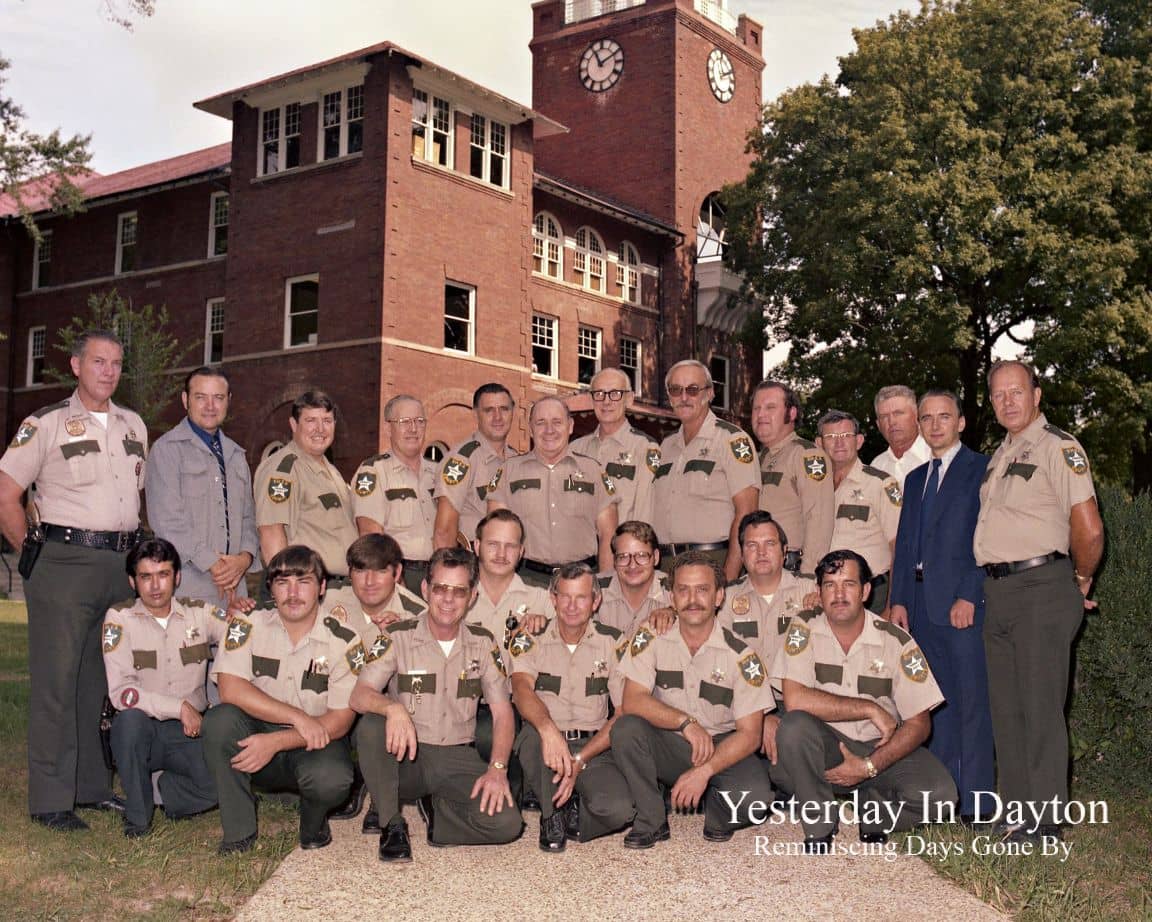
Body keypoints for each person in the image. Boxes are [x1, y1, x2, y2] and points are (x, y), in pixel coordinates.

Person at [0, 329, 145, 830]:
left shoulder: (134, 425)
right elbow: (7, 495)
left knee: (97, 683)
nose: (108, 371)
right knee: (56, 684)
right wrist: (32, 557)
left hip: (117, 565)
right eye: (99, 361)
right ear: (76, 366)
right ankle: (50, 799)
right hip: (63, 562)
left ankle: (90, 787)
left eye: (117, 363)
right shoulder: (47, 424)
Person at [973, 360, 1104, 841]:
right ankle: (1017, 811)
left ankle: (1046, 820)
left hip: (1042, 589)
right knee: (1006, 708)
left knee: (1040, 706)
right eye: (999, 394)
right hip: (1000, 591)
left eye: (1017, 391)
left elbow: (1088, 528)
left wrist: (1081, 579)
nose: (1008, 401)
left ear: (1037, 396)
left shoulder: (1059, 448)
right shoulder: (999, 455)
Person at [771, 550, 957, 853]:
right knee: (792, 731)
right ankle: (820, 823)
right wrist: (869, 707)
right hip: (827, 747)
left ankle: (874, 812)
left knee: (941, 796)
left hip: (880, 749)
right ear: (818, 592)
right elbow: (795, 699)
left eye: (849, 584)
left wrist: (869, 766)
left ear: (866, 590)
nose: (839, 594)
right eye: (830, 585)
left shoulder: (896, 641)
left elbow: (920, 724)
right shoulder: (803, 628)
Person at [351, 548, 523, 861]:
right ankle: (392, 822)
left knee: (507, 825)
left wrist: (497, 769)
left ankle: (439, 815)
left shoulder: (484, 643)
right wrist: (394, 709)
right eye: (441, 588)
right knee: (372, 724)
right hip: (407, 758)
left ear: (472, 597)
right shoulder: (396, 636)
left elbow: (502, 714)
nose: (448, 599)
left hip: (458, 756)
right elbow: (360, 695)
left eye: (459, 591)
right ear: (425, 589)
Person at [201, 546, 362, 854]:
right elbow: (230, 689)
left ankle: (313, 822)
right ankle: (238, 832)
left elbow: (340, 722)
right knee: (219, 722)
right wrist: (296, 717)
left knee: (332, 779)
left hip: (314, 742)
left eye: (303, 581)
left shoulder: (345, 639)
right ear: (271, 589)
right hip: (257, 735)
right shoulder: (247, 624)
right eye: (282, 582)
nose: (293, 592)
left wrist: (278, 741)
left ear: (322, 587)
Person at [611, 550, 774, 847]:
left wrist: (705, 771)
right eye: (683, 590)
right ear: (671, 597)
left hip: (722, 747)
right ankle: (651, 819)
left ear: (719, 596)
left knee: (755, 801)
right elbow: (632, 700)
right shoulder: (651, 637)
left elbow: (751, 735)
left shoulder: (742, 656)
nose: (693, 599)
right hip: (670, 742)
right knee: (626, 728)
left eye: (702, 590)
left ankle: (716, 808)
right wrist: (684, 723)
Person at [102, 538, 252, 837]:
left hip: (189, 732)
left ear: (177, 577)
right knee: (129, 723)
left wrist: (241, 614)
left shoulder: (199, 613)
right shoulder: (119, 619)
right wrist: (178, 707)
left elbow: (244, 632)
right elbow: (122, 694)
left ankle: (162, 792)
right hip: (143, 729)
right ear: (133, 581)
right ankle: (138, 817)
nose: (155, 586)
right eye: (146, 577)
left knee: (219, 785)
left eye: (163, 575)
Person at [889, 391, 992, 822]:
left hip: (959, 606)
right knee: (933, 705)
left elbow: (986, 539)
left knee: (970, 704)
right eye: (927, 418)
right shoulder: (914, 478)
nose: (934, 426)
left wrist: (970, 592)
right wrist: (896, 601)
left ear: (961, 422)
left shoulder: (981, 470)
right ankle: (943, 800)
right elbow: (905, 544)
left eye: (943, 417)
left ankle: (978, 804)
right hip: (919, 609)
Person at [510, 563, 634, 851]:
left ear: (596, 601)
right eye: (564, 596)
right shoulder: (530, 638)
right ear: (553, 599)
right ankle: (551, 815)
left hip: (594, 745)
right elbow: (520, 690)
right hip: (547, 744)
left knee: (620, 810)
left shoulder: (614, 641)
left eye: (581, 597)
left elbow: (624, 711)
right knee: (530, 737)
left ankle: (576, 809)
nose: (572, 606)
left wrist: (580, 760)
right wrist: (548, 729)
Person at [324, 533, 427, 831]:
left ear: (397, 573)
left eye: (380, 570)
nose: (369, 581)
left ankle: (380, 795)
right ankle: (351, 777)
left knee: (379, 717)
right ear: (349, 573)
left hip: (386, 705)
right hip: (336, 698)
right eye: (360, 570)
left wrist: (401, 638)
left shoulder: (417, 612)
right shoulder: (329, 601)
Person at [145, 366, 259, 602]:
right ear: (186, 400)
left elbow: (249, 518)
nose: (210, 406)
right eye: (201, 397)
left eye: (218, 398)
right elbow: (167, 522)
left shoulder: (236, 455)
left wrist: (244, 559)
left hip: (235, 592)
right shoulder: (167, 450)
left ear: (228, 401)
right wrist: (215, 564)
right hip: (188, 588)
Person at [486, 396, 618, 585]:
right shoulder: (508, 472)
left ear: (570, 426)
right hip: (527, 581)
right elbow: (494, 534)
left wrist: (606, 584)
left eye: (557, 422)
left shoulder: (594, 472)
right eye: (541, 423)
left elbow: (608, 536)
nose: (549, 430)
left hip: (582, 580)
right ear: (530, 428)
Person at [652, 360, 759, 582]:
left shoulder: (732, 440)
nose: (683, 397)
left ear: (709, 394)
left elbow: (747, 513)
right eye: (675, 390)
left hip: (712, 561)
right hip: (665, 566)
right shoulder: (666, 447)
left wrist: (727, 579)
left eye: (692, 390)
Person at [252, 390, 357, 578]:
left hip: (338, 590)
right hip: (306, 588)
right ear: (293, 424)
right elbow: (271, 537)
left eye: (327, 421)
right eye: (311, 421)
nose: (320, 429)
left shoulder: (331, 470)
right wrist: (289, 590)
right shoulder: (283, 470)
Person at [353, 395, 438, 594]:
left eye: (419, 421)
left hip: (437, 577)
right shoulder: (373, 472)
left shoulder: (438, 473)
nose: (413, 429)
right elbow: (370, 536)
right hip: (400, 575)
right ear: (387, 428)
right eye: (404, 422)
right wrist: (396, 582)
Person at [818, 410, 901, 612]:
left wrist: (893, 603)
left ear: (859, 441)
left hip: (870, 595)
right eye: (831, 437)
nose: (839, 443)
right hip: (825, 594)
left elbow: (899, 547)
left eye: (846, 436)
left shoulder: (882, 484)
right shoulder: (813, 487)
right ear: (819, 444)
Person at [751, 380, 833, 575]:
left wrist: (808, 576)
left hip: (791, 571)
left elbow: (819, 521)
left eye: (770, 407)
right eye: (756, 408)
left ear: (792, 413)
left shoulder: (807, 455)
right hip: (757, 569)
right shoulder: (757, 458)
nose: (761, 415)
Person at [433, 383, 519, 551]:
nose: (498, 417)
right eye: (489, 410)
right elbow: (444, 531)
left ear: (512, 412)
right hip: (474, 560)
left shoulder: (516, 460)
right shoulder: (462, 460)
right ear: (475, 414)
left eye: (504, 409)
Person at [571, 368, 661, 525]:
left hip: (621, 547)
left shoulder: (645, 448)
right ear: (592, 400)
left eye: (615, 393)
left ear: (629, 399)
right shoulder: (575, 450)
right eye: (599, 394)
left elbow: (644, 515)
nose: (606, 401)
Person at [468, 509, 554, 660]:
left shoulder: (543, 600)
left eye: (510, 546)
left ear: (521, 552)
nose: (501, 554)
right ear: (477, 546)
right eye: (493, 544)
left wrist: (547, 628)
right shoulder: (456, 598)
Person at [597, 521, 669, 635]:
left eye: (641, 555)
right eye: (623, 556)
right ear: (614, 561)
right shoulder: (594, 589)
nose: (632, 565)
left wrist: (674, 612)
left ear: (655, 557)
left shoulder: (674, 589)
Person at [870, 385, 931, 489]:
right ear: (878, 425)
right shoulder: (876, 467)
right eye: (884, 416)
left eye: (898, 413)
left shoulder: (937, 459)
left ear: (917, 415)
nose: (891, 422)